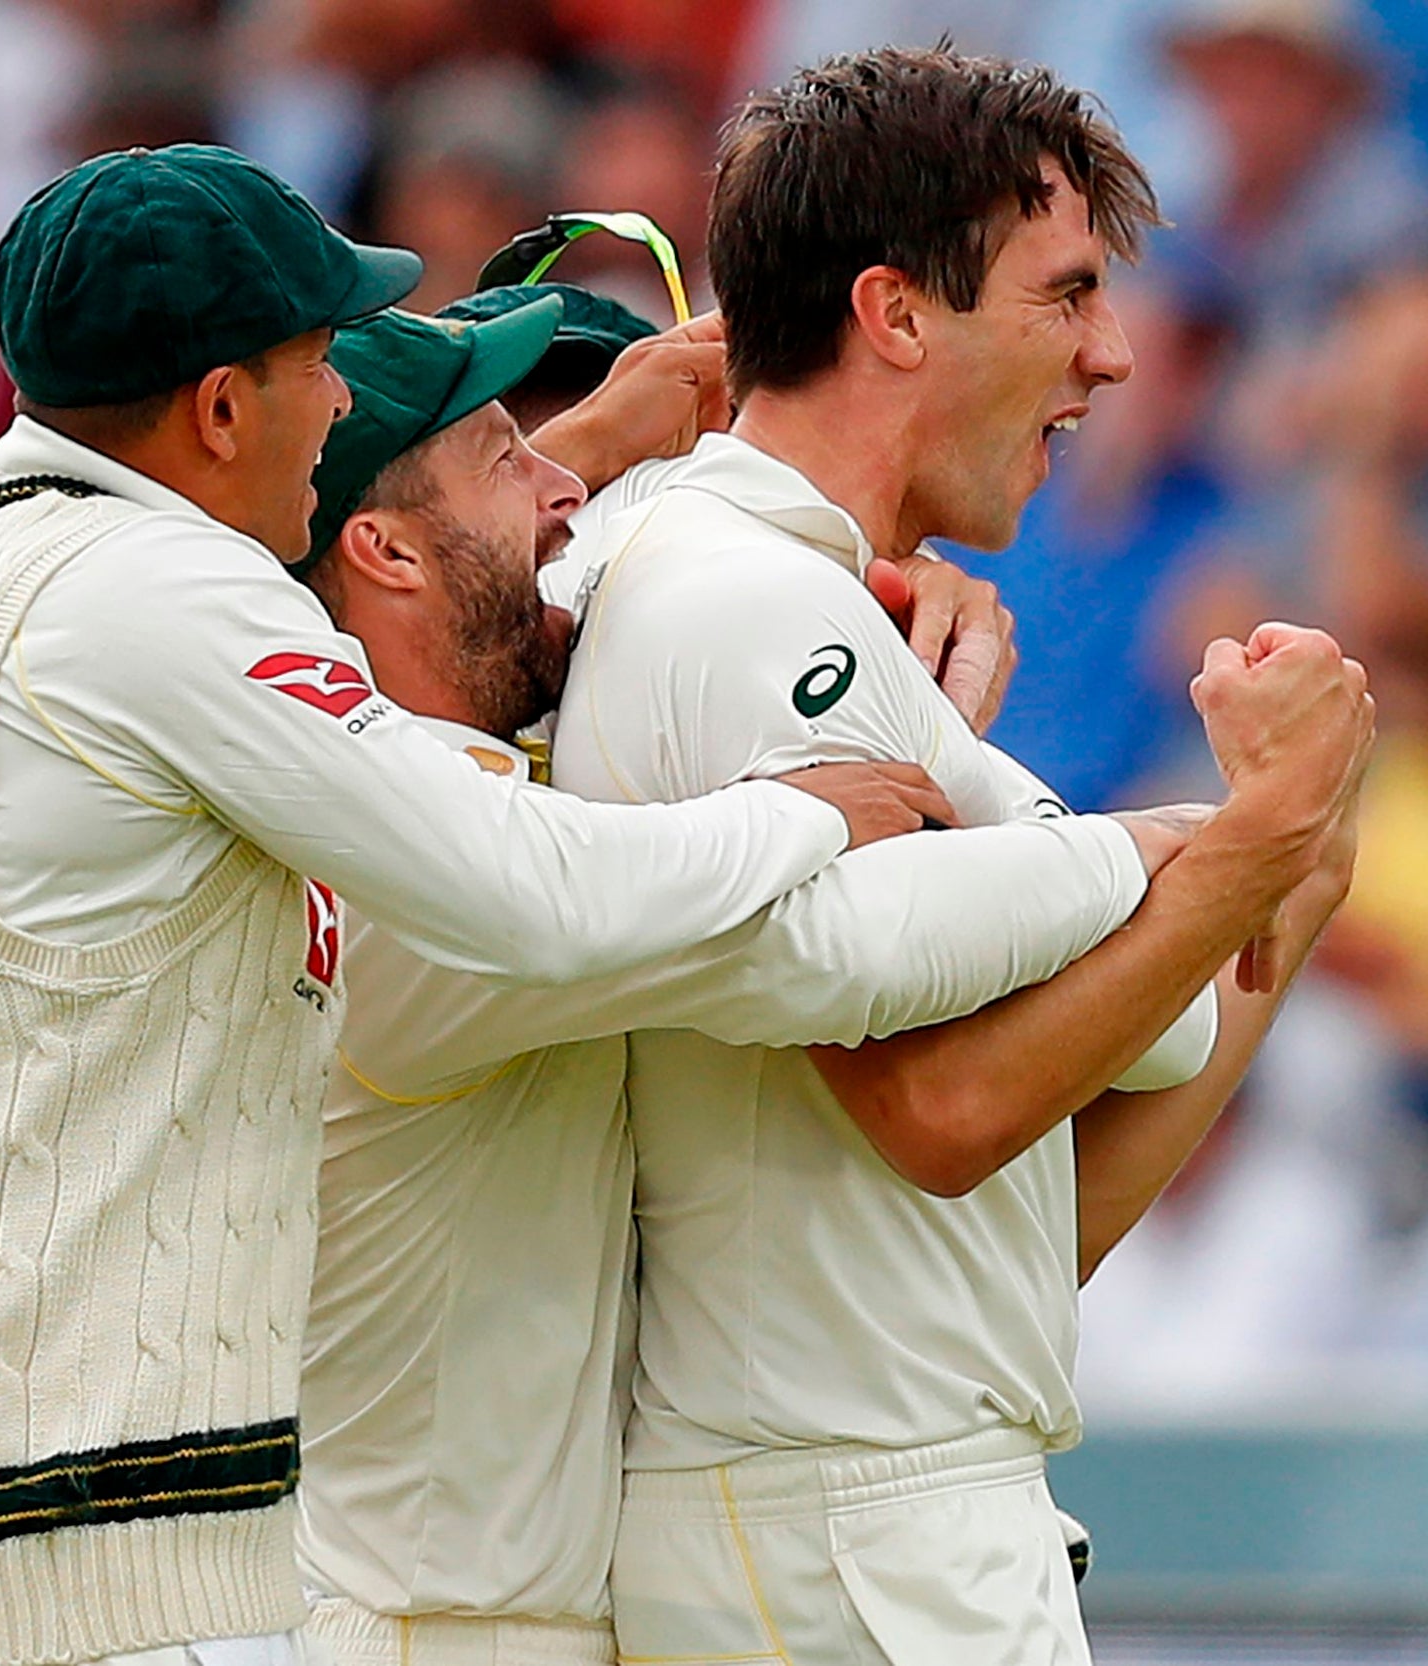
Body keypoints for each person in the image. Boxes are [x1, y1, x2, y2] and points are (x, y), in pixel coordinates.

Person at [0, 143, 956, 1666]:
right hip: (95, 1538)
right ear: (217, 409)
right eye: (317, 361)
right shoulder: (174, 592)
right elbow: (518, 889)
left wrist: (577, 453)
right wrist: (804, 806)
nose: (336, 401)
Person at [546, 49, 1374, 1661]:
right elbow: (936, 1113)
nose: (1115, 355)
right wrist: (1236, 842)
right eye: (1064, 294)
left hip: (884, 1524)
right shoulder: (741, 602)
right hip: (839, 1544)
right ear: (898, 313)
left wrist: (1286, 887)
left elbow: (1008, 1231)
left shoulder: (795, 596)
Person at [289, 304, 1204, 1665]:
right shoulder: (417, 881)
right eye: (503, 453)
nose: (563, 492)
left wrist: (860, 594)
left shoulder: (487, 767)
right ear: (386, 551)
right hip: (429, 1628)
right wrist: (1169, 855)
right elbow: (823, 949)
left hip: (539, 1609)